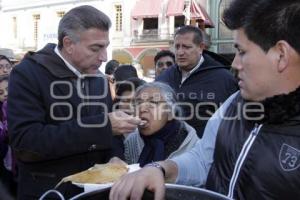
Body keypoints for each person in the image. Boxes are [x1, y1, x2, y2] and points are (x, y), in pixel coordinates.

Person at [109, 0, 300, 199]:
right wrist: (160, 169)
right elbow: (203, 158)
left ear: (281, 55)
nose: (234, 64)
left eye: (242, 52)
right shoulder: (233, 104)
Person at [7, 5, 141, 199]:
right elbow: (26, 143)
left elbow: (112, 133)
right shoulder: (27, 74)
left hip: (97, 193)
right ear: (68, 44)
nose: (104, 57)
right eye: (96, 48)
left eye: (106, 47)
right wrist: (102, 126)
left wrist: (115, 156)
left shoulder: (99, 79)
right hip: (51, 191)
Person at [156, 25, 238, 137]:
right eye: (177, 47)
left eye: (186, 47)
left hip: (206, 149)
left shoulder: (224, 79)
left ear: (200, 48)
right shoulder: (164, 77)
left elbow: (234, 121)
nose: (180, 52)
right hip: (164, 148)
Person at [121, 82, 199, 166]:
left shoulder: (194, 148)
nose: (142, 109)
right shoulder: (131, 141)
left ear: (170, 113)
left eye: (153, 102)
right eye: (139, 103)